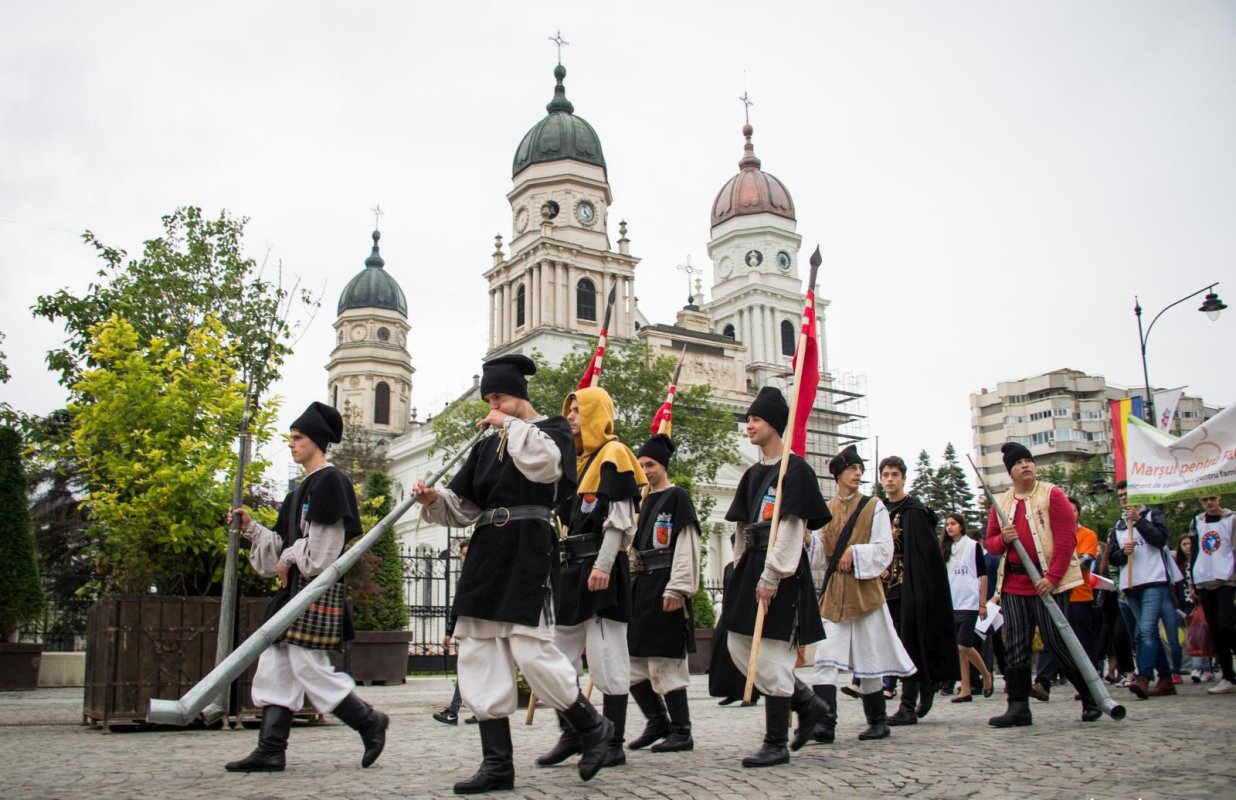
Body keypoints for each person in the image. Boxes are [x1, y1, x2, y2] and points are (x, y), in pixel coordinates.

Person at [413, 354, 614, 793]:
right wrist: (432, 499)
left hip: (528, 543)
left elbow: (547, 468)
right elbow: (465, 507)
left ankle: (591, 725)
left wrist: (506, 425)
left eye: (499, 397)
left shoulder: (553, 430)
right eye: (488, 399)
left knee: (531, 648)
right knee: (478, 653)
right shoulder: (485, 445)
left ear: (518, 397)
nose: (493, 406)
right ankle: (497, 765)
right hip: (487, 550)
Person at [224, 401, 389, 772]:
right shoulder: (299, 490)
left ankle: (368, 720)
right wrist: (251, 527)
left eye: (297, 438)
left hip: (315, 589)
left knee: (307, 665)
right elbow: (285, 548)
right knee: (276, 664)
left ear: (316, 440)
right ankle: (270, 748)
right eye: (291, 437)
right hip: (294, 590)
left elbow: (322, 554)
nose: (292, 443)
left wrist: (291, 557)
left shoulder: (331, 481)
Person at [720, 387, 832, 768]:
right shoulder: (753, 474)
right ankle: (807, 703)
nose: (749, 425)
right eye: (748, 419)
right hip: (750, 563)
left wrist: (773, 575)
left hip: (779, 568)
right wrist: (737, 568)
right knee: (736, 642)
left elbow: (791, 525)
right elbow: (741, 525)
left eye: (756, 418)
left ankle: (775, 742)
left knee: (770, 652)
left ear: (774, 424)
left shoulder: (794, 469)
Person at [537, 386, 645, 770]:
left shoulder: (615, 455)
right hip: (570, 569)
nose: (570, 417)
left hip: (600, 567)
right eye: (568, 410)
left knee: (607, 656)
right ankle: (573, 733)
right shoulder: (577, 462)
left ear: (597, 414)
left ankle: (612, 741)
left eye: (577, 411)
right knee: (560, 658)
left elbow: (620, 518)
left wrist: (602, 565)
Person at [985, 442, 1097, 727]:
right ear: (1010, 471)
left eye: (1028, 460)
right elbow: (992, 544)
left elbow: (1065, 539)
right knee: (1017, 646)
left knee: (1057, 642)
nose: (1026, 465)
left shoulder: (1053, 495)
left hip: (1048, 581)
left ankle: (1090, 696)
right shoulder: (1002, 503)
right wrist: (1005, 539)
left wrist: (1053, 578)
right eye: (1019, 462)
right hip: (1014, 583)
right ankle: (1018, 707)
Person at [810, 445, 916, 743]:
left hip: (864, 593)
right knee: (825, 659)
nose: (858, 473)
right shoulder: (826, 510)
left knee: (869, 662)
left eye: (859, 469)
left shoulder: (875, 506)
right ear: (838, 475)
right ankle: (824, 723)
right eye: (852, 468)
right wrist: (807, 539)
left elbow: (885, 549)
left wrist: (855, 552)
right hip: (834, 596)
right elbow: (819, 556)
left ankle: (878, 721)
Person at [626, 433, 701, 753]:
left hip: (666, 586)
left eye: (651, 464)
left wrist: (679, 587)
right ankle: (658, 721)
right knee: (631, 663)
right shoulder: (642, 502)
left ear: (664, 466)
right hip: (640, 589)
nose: (646, 470)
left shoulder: (677, 497)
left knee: (665, 661)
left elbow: (686, 546)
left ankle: (682, 731)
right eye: (641, 465)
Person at [877, 456, 959, 725]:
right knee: (893, 645)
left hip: (909, 588)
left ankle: (908, 704)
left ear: (903, 477)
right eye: (885, 475)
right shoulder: (878, 510)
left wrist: (921, 589)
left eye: (894, 475)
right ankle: (921, 689)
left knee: (910, 644)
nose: (889, 479)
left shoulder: (914, 511)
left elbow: (926, 556)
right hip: (884, 588)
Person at [1106, 480, 1180, 699]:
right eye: (1120, 495)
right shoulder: (1119, 525)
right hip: (1131, 584)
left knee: (1146, 631)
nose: (1123, 498)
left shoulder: (1152, 516)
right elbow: (1113, 558)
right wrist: (1122, 553)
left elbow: (1160, 539)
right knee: (1145, 634)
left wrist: (1138, 521)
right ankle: (1165, 678)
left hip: (1153, 581)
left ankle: (1144, 676)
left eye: (1127, 494)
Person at [1032, 496, 1102, 699]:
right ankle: (1042, 682)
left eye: (1072, 510)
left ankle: (1092, 683)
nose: (1069, 513)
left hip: (1079, 595)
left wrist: (1058, 568)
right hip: (1057, 594)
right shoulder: (1051, 536)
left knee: (1082, 641)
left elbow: (1084, 562)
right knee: (1051, 638)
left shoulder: (1087, 534)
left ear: (1078, 512)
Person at [1186, 494, 1236, 694]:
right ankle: (1227, 676)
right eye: (1204, 499)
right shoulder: (1197, 521)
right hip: (1204, 579)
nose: (1208, 503)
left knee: (1227, 625)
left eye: (1212, 498)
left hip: (1227, 578)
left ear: (1219, 497)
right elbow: (1195, 551)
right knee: (1215, 630)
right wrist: (1193, 581)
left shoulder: (1231, 519)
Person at [941, 512, 993, 702]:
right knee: (958, 649)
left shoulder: (972, 546)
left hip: (970, 602)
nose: (949, 527)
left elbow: (983, 574)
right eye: (947, 524)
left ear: (961, 526)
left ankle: (985, 675)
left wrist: (982, 603)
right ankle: (965, 688)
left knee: (964, 644)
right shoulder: (946, 548)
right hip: (952, 602)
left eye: (953, 523)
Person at [434, 539, 477, 725]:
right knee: (472, 670)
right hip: (468, 628)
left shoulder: (475, 575)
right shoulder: (466, 575)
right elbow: (457, 606)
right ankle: (476, 712)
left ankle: (453, 712)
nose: (465, 557)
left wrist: (450, 631)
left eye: (468, 553)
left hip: (476, 628)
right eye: (463, 554)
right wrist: (449, 631)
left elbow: (460, 605)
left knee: (467, 669)